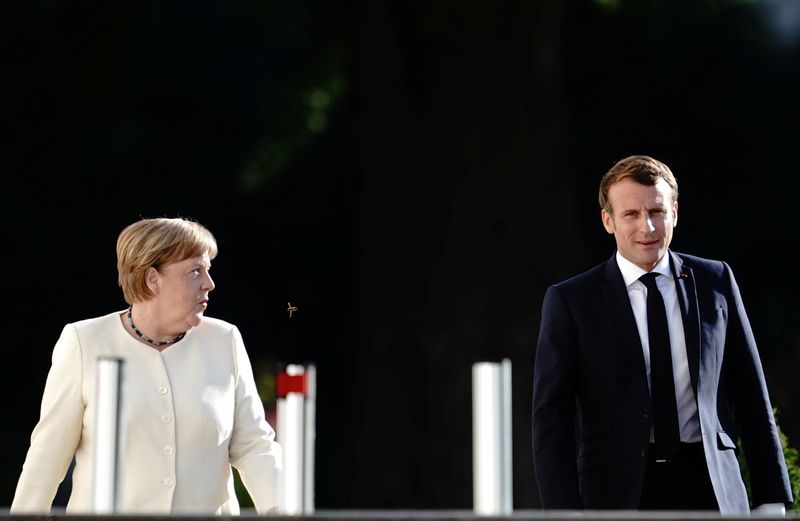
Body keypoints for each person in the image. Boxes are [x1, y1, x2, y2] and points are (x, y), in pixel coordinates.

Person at [532, 155, 792, 513]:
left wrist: (771, 496)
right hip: (617, 495)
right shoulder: (572, 301)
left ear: (675, 213)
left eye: (656, 212)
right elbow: (552, 418)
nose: (648, 228)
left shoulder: (715, 280)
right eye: (631, 215)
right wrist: (564, 511)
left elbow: (751, 392)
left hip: (712, 489)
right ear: (608, 221)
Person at [11, 217, 282, 514]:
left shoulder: (224, 339)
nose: (209, 283)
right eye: (195, 271)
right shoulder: (83, 341)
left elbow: (255, 446)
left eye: (208, 270)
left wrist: (284, 511)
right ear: (152, 279)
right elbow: (47, 457)